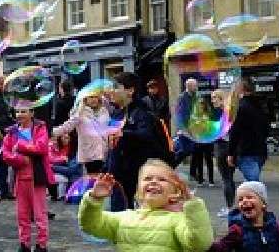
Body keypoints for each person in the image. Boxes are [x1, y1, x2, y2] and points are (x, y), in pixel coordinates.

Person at [78, 159, 213, 251]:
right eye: (147, 178)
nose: (154, 182)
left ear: (175, 193)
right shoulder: (124, 218)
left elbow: (199, 244)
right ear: (138, 191)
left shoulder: (178, 220)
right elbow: (91, 225)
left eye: (162, 179)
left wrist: (193, 205)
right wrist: (94, 199)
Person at [106, 72, 173, 210]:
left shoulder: (142, 113)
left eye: (116, 87)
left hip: (135, 178)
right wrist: (107, 168)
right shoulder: (117, 113)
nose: (111, 91)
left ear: (130, 90)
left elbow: (146, 136)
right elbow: (114, 146)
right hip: (117, 177)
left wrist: (124, 134)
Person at [209, 181, 279, 252]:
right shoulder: (237, 229)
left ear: (263, 203)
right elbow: (222, 246)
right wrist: (208, 245)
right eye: (240, 199)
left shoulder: (276, 226)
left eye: (249, 197)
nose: (244, 201)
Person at [2, 107, 55, 252]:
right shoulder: (11, 131)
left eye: (24, 111)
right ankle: (24, 244)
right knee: (22, 214)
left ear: (32, 113)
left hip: (36, 177)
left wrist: (20, 146)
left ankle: (41, 245)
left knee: (40, 214)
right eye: (18, 112)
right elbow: (6, 154)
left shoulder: (40, 128)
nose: (20, 115)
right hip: (20, 177)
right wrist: (20, 159)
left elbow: (42, 148)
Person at [52, 92, 111, 175]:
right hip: (89, 152)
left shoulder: (104, 111)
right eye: (90, 97)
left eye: (95, 97)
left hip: (103, 151)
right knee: (92, 179)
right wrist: (52, 132)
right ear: (85, 99)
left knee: (101, 180)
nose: (93, 99)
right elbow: (68, 126)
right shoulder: (80, 112)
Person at [227, 78, 268, 182]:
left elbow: (234, 132)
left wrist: (230, 153)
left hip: (246, 150)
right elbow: (266, 128)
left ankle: (254, 197)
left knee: (253, 183)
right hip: (260, 150)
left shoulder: (240, 107)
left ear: (240, 90)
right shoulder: (261, 106)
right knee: (251, 180)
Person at [212, 89, 235, 218]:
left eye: (215, 97)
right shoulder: (229, 112)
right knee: (229, 178)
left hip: (222, 148)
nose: (213, 100)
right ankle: (231, 206)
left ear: (221, 99)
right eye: (212, 97)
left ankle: (229, 207)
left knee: (226, 179)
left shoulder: (218, 113)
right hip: (229, 148)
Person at [191, 96, 215, 187]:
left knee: (209, 160)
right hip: (198, 140)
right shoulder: (194, 115)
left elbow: (211, 127)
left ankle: (211, 180)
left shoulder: (208, 114)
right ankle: (200, 180)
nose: (201, 106)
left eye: (202, 104)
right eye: (199, 104)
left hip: (207, 140)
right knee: (199, 160)